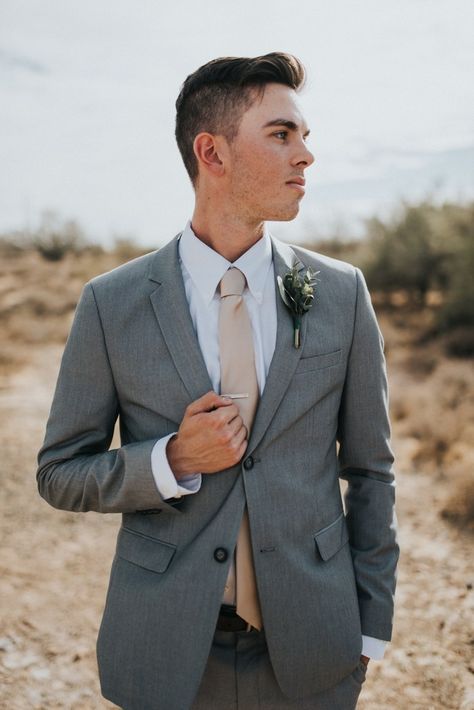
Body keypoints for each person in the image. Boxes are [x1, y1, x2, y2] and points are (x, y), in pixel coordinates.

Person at [37, 52, 399, 710]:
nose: (306, 157)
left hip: (314, 651)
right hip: (166, 653)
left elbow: (372, 472)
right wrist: (171, 461)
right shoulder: (111, 304)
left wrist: (371, 626)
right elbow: (60, 471)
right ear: (213, 152)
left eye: (305, 138)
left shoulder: (341, 294)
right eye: (282, 135)